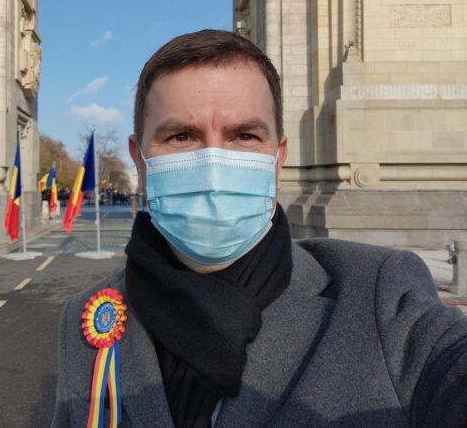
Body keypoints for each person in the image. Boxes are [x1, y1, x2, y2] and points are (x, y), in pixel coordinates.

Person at [51, 30, 467, 427]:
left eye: (244, 135)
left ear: (278, 158)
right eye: (181, 136)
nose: (213, 167)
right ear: (139, 159)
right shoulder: (87, 318)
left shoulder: (382, 297)